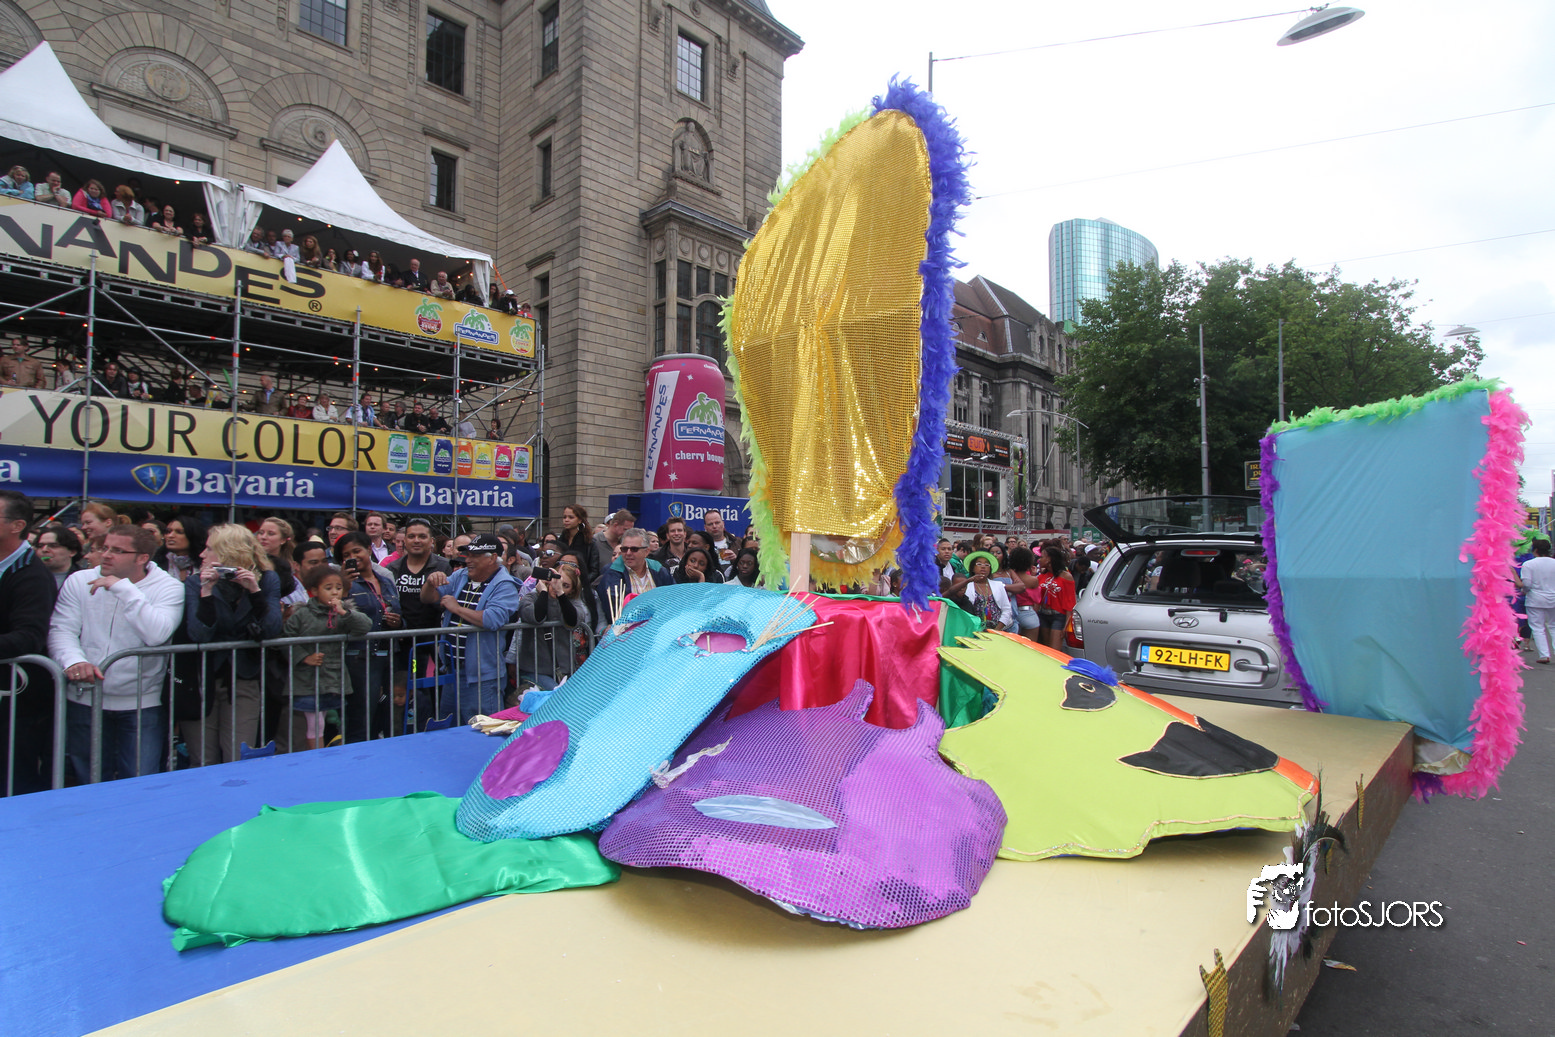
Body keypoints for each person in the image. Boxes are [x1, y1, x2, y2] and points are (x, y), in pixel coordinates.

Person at [49, 526, 184, 783]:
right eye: (105, 548)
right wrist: (74, 661)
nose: (107, 555)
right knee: (88, 780)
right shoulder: (78, 580)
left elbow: (157, 634)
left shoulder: (169, 587)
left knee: (140, 781)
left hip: (141, 703)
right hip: (84, 697)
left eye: (118, 551)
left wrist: (124, 589)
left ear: (142, 558)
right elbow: (61, 628)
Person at [180, 524, 283, 765]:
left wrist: (254, 592)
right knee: (203, 759)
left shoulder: (267, 578)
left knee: (239, 756)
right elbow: (198, 634)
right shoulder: (196, 582)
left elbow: (271, 629)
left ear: (229, 552)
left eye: (209, 549)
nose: (202, 555)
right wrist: (207, 591)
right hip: (202, 679)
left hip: (244, 677)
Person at [420, 533, 519, 723]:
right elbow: (428, 598)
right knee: (449, 728)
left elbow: (492, 619)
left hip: (482, 678)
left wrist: (456, 608)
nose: (468, 560)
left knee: (481, 730)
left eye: (475, 556)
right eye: (468, 555)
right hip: (452, 671)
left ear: (492, 558)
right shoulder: (461, 576)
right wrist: (430, 583)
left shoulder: (505, 585)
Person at [0, 491, 59, 795]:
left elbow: (29, 636)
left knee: (13, 777)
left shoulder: (31, 575)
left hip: (17, 699)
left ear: (17, 525)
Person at [279, 566, 372, 752]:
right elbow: (285, 639)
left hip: (332, 678)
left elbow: (365, 626)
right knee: (315, 723)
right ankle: (317, 758)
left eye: (338, 587)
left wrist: (344, 612)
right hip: (307, 679)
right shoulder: (302, 614)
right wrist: (304, 657)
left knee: (324, 720)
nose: (334, 592)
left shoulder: (343, 612)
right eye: (328, 588)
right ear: (314, 591)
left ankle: (321, 756)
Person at [333, 531, 401, 742]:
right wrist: (343, 588)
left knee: (387, 713)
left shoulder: (386, 580)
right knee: (361, 717)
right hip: (359, 659)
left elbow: (400, 613)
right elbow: (335, 620)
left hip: (390, 656)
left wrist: (399, 622)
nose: (353, 557)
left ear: (369, 550)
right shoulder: (342, 583)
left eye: (357, 551)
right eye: (346, 555)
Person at [386, 518, 451, 731]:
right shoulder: (393, 568)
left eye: (422, 536)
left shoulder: (443, 566)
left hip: (434, 641)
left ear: (431, 541)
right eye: (411, 536)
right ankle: (401, 732)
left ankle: (435, 728)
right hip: (403, 641)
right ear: (403, 540)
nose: (416, 540)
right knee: (404, 690)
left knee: (435, 689)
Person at [509, 561, 588, 700]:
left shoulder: (573, 602)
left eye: (565, 585)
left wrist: (560, 594)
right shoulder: (531, 597)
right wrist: (544, 592)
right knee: (558, 698)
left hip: (563, 669)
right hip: (534, 670)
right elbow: (536, 617)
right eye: (555, 581)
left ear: (572, 590)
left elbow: (573, 621)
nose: (557, 586)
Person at [595, 527, 673, 627]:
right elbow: (613, 608)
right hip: (626, 630)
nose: (628, 553)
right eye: (624, 549)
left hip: (659, 628)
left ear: (646, 551)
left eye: (634, 549)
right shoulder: (612, 573)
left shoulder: (659, 570)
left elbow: (671, 599)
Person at [946, 551, 1012, 631]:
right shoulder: (967, 586)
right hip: (973, 630)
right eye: (979, 564)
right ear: (973, 568)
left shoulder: (998, 585)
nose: (983, 567)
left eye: (987, 565)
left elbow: (1007, 609)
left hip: (997, 630)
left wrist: (997, 629)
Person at [1032, 544, 1077, 649]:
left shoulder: (1066, 576)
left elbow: (1070, 601)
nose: (1039, 560)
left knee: (1055, 649)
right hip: (1043, 615)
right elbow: (1036, 598)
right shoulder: (1041, 576)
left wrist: (1067, 624)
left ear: (1049, 559)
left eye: (1042, 557)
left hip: (1059, 616)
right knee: (1045, 648)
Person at [1520, 539, 1555, 664]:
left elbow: (1527, 584)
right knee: (1553, 626)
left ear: (1535, 550)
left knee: (1537, 627)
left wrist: (1524, 591)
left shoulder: (1528, 564)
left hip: (1535, 599)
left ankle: (1544, 655)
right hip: (1553, 597)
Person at [592, 508, 635, 585]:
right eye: (625, 529)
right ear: (615, 525)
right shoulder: (594, 541)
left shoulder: (626, 543)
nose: (628, 533)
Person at [160, 514, 207, 584]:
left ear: (193, 535)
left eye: (179, 532)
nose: (170, 536)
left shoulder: (205, 563)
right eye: (168, 531)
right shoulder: (156, 563)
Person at [34, 524, 82, 589]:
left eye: (53, 546)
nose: (44, 550)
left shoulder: (84, 578)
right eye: (40, 546)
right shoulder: (28, 576)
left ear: (72, 552)